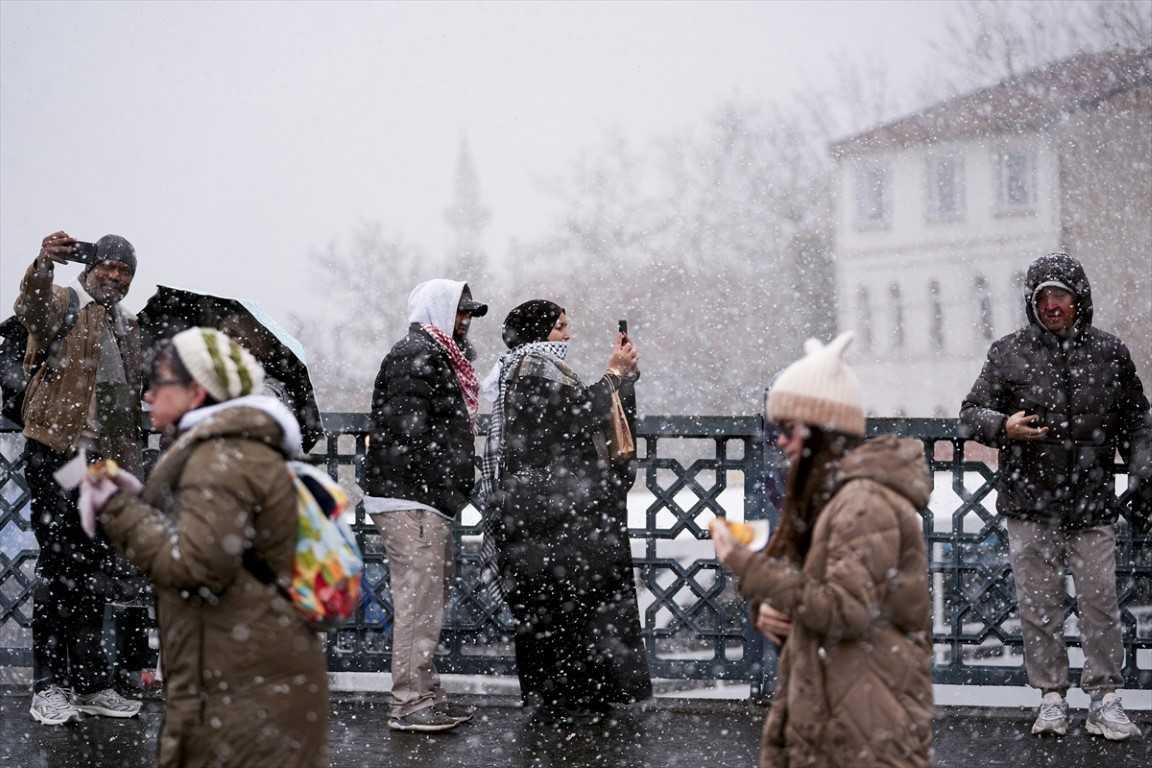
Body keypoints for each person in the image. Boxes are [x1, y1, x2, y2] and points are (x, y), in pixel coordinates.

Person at [83, 328, 329, 767]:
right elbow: (211, 541)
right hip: (253, 671)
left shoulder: (217, 458)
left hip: (239, 686)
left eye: (158, 384)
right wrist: (143, 501)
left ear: (196, 390)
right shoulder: (234, 447)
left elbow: (194, 565)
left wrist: (119, 510)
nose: (147, 397)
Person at [713, 332, 934, 768]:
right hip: (838, 712)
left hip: (869, 723)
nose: (780, 442)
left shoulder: (865, 503)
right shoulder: (828, 496)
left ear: (822, 432)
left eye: (789, 429)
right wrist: (770, 611)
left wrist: (746, 565)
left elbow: (844, 610)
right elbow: (809, 592)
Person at [960, 252, 1150, 741]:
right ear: (1032, 302)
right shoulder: (1008, 353)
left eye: (1060, 295)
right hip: (1029, 505)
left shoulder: (1109, 353)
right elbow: (969, 413)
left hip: (1090, 505)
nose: (1052, 305)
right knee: (1039, 608)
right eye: (1043, 297)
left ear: (1079, 299)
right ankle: (1051, 699)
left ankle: (1105, 699)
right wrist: (1004, 427)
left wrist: (1142, 466)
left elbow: (1138, 420)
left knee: (1100, 604)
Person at [480, 300, 652, 724]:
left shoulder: (537, 370)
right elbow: (575, 420)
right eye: (559, 327)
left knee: (563, 610)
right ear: (538, 332)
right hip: (548, 517)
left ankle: (573, 699)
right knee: (562, 611)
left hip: (555, 514)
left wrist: (621, 378)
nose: (567, 336)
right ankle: (566, 702)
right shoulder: (530, 372)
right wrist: (613, 374)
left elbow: (578, 416)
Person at [15, 231, 144, 725]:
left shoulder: (127, 326)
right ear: (91, 268)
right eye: (109, 266)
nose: (115, 276)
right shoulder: (68, 303)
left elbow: (120, 410)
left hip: (98, 466)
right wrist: (44, 261)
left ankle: (89, 685)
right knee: (57, 567)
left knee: (92, 574)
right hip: (57, 454)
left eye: (125, 271)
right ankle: (49, 686)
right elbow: (32, 305)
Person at [362, 279, 487, 733]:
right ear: (437, 310)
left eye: (469, 313)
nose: (466, 321)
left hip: (425, 499)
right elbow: (406, 433)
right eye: (459, 311)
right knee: (418, 603)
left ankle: (426, 694)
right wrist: (443, 478)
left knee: (428, 601)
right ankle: (409, 704)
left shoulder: (436, 356)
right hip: (410, 499)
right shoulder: (414, 356)